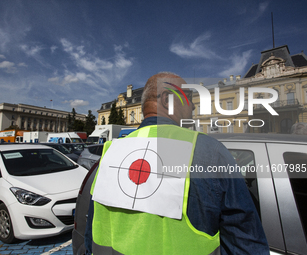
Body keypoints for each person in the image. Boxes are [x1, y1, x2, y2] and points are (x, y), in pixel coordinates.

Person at [86, 72, 269, 254]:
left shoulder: (110, 152)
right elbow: (245, 242)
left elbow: (90, 231)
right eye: (188, 99)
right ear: (167, 100)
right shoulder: (209, 150)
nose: (193, 109)